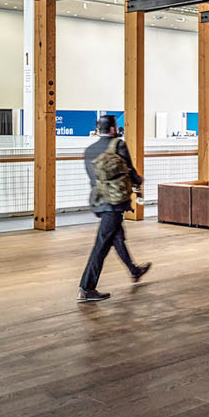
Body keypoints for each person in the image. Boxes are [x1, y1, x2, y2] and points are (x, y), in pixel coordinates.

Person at [78, 115, 150, 303]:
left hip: (99, 201)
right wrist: (139, 181)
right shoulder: (118, 145)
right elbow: (130, 171)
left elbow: (93, 179)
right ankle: (86, 288)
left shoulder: (89, 151)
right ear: (112, 129)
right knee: (101, 245)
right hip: (115, 202)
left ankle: (134, 271)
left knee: (116, 236)